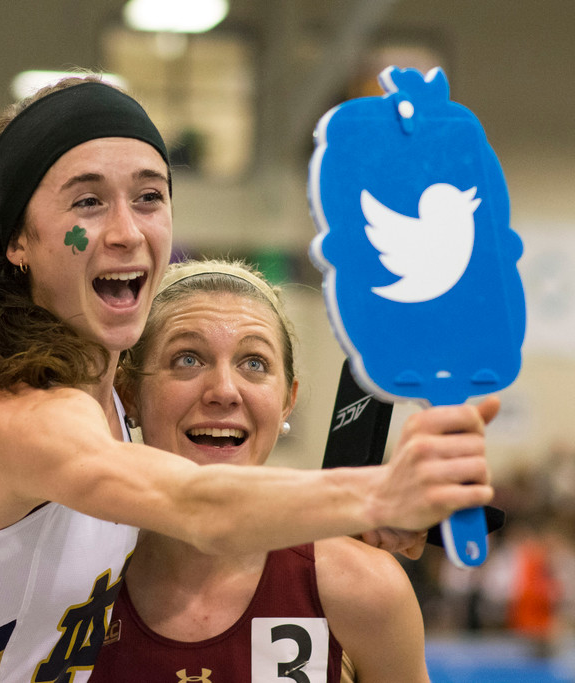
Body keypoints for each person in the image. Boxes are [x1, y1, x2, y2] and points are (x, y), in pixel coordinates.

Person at [0, 77, 497, 683]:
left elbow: (200, 501)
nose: (127, 231)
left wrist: (332, 517)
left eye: (148, 197)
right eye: (88, 202)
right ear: (19, 237)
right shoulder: (15, 411)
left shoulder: (104, 421)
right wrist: (376, 495)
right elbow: (197, 505)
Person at [89, 258, 434, 682]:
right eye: (188, 359)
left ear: (287, 400)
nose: (224, 391)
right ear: (129, 393)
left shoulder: (362, 589)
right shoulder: (72, 575)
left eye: (253, 363)